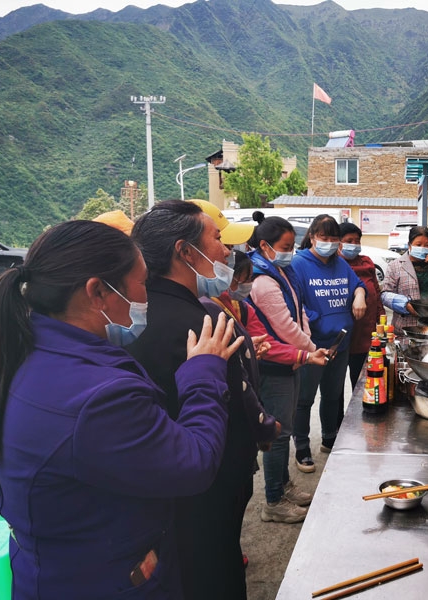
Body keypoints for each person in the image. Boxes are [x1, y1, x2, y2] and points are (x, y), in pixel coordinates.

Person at [0, 220, 242, 599]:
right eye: (142, 284)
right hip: (100, 580)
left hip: (52, 564)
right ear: (98, 292)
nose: (146, 299)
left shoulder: (27, 351)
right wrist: (203, 372)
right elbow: (192, 463)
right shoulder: (98, 396)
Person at [127, 200, 270, 600]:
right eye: (217, 238)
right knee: (213, 573)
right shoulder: (201, 324)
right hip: (207, 485)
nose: (227, 251)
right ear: (184, 251)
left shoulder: (138, 316)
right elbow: (225, 403)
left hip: (166, 491)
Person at [245, 215, 329, 522]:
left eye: (292, 246)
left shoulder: (281, 270)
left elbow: (299, 313)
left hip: (291, 358)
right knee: (277, 433)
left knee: (286, 426)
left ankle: (284, 486)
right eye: (284, 246)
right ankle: (273, 501)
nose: (289, 252)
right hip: (273, 363)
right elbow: (282, 326)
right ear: (264, 245)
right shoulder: (263, 280)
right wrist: (309, 350)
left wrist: (305, 344)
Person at [290, 215, 366, 472]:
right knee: (304, 399)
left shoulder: (341, 263)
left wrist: (359, 296)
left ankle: (329, 438)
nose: (330, 243)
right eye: (324, 238)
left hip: (340, 342)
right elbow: (295, 304)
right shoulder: (299, 264)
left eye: (334, 239)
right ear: (312, 237)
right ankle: (302, 448)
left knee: (333, 396)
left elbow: (358, 285)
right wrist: (317, 321)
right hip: (313, 346)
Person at [338, 221, 385, 390]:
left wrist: (382, 324)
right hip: (342, 336)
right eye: (349, 241)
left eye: (357, 240)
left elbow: (377, 295)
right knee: (334, 392)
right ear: (338, 242)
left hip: (366, 335)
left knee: (362, 385)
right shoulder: (333, 265)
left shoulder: (367, 262)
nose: (354, 245)